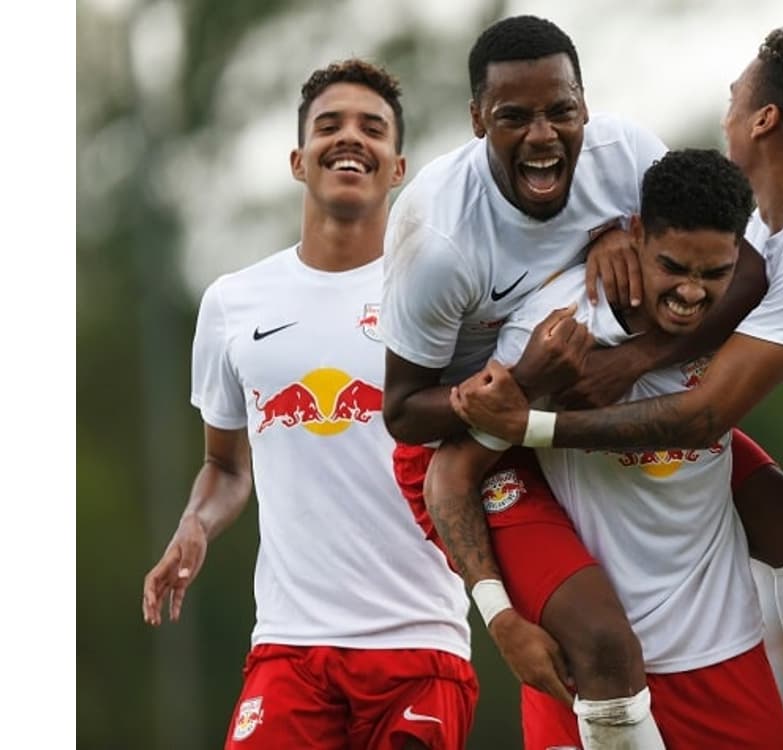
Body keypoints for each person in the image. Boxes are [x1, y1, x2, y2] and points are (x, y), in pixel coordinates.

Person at [382, 15, 783, 750]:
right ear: (478, 118)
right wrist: (500, 611)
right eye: (515, 116)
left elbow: (752, 261)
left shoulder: (633, 163)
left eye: (563, 111)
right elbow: (418, 433)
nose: (693, 293)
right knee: (604, 646)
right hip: (485, 425)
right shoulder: (454, 251)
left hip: (613, 433)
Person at [140, 60, 478, 750]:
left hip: (419, 644)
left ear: (398, 165)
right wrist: (195, 523)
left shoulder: (444, 297)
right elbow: (227, 468)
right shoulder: (234, 303)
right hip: (289, 650)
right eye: (330, 125)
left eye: (371, 128)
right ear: (299, 159)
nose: (349, 138)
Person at [432, 147, 783, 748]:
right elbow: (449, 473)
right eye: (673, 267)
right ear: (634, 234)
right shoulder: (557, 332)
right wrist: (500, 617)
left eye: (714, 274)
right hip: (596, 676)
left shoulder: (747, 312)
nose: (691, 292)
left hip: (726, 654)